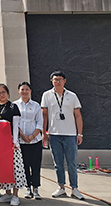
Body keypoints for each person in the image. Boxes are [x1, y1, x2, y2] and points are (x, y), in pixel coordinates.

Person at [41, 71, 84, 200]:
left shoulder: (72, 96)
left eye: (60, 79)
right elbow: (44, 115)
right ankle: (61, 187)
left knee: (72, 163)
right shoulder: (47, 95)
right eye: (55, 79)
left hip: (70, 134)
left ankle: (74, 188)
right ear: (51, 81)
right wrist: (44, 133)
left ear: (64, 81)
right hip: (54, 134)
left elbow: (78, 115)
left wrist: (79, 134)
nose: (57, 82)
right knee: (58, 163)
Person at [0, 84, 26, 206]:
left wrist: (15, 141)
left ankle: (15, 195)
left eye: (3, 92)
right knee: (3, 168)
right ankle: (7, 193)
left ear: (7, 93)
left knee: (14, 168)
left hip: (11, 141)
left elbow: (15, 125)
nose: (1, 95)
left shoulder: (13, 107)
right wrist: (1, 122)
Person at [16, 82, 43, 200]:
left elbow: (40, 122)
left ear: (30, 91)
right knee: (25, 164)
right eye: (22, 89)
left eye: (27, 89)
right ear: (19, 91)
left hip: (35, 140)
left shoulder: (36, 105)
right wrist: (22, 135)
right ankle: (28, 188)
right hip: (21, 140)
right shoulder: (15, 105)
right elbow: (15, 123)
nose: (24, 92)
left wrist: (32, 136)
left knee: (35, 165)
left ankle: (36, 188)